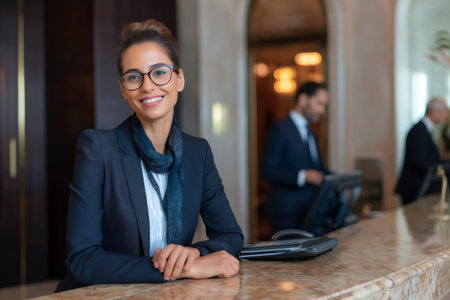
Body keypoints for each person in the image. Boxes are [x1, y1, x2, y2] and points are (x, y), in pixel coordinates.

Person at [56, 19, 243, 292]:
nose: (147, 86)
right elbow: (82, 260)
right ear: (123, 90)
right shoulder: (97, 148)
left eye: (159, 72)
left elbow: (230, 234)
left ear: (179, 79)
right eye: (134, 76)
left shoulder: (197, 152)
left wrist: (196, 253)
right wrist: (183, 271)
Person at [261, 81, 331, 233]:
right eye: (319, 104)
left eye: (324, 105)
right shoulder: (279, 129)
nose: (322, 110)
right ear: (303, 99)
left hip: (311, 211)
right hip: (286, 211)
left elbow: (318, 168)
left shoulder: (312, 133)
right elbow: (268, 170)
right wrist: (303, 176)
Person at [395, 97, 449, 205]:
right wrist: (441, 166)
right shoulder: (419, 130)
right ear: (435, 112)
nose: (447, 116)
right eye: (445, 111)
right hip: (414, 187)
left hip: (419, 186)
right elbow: (418, 160)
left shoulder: (425, 129)